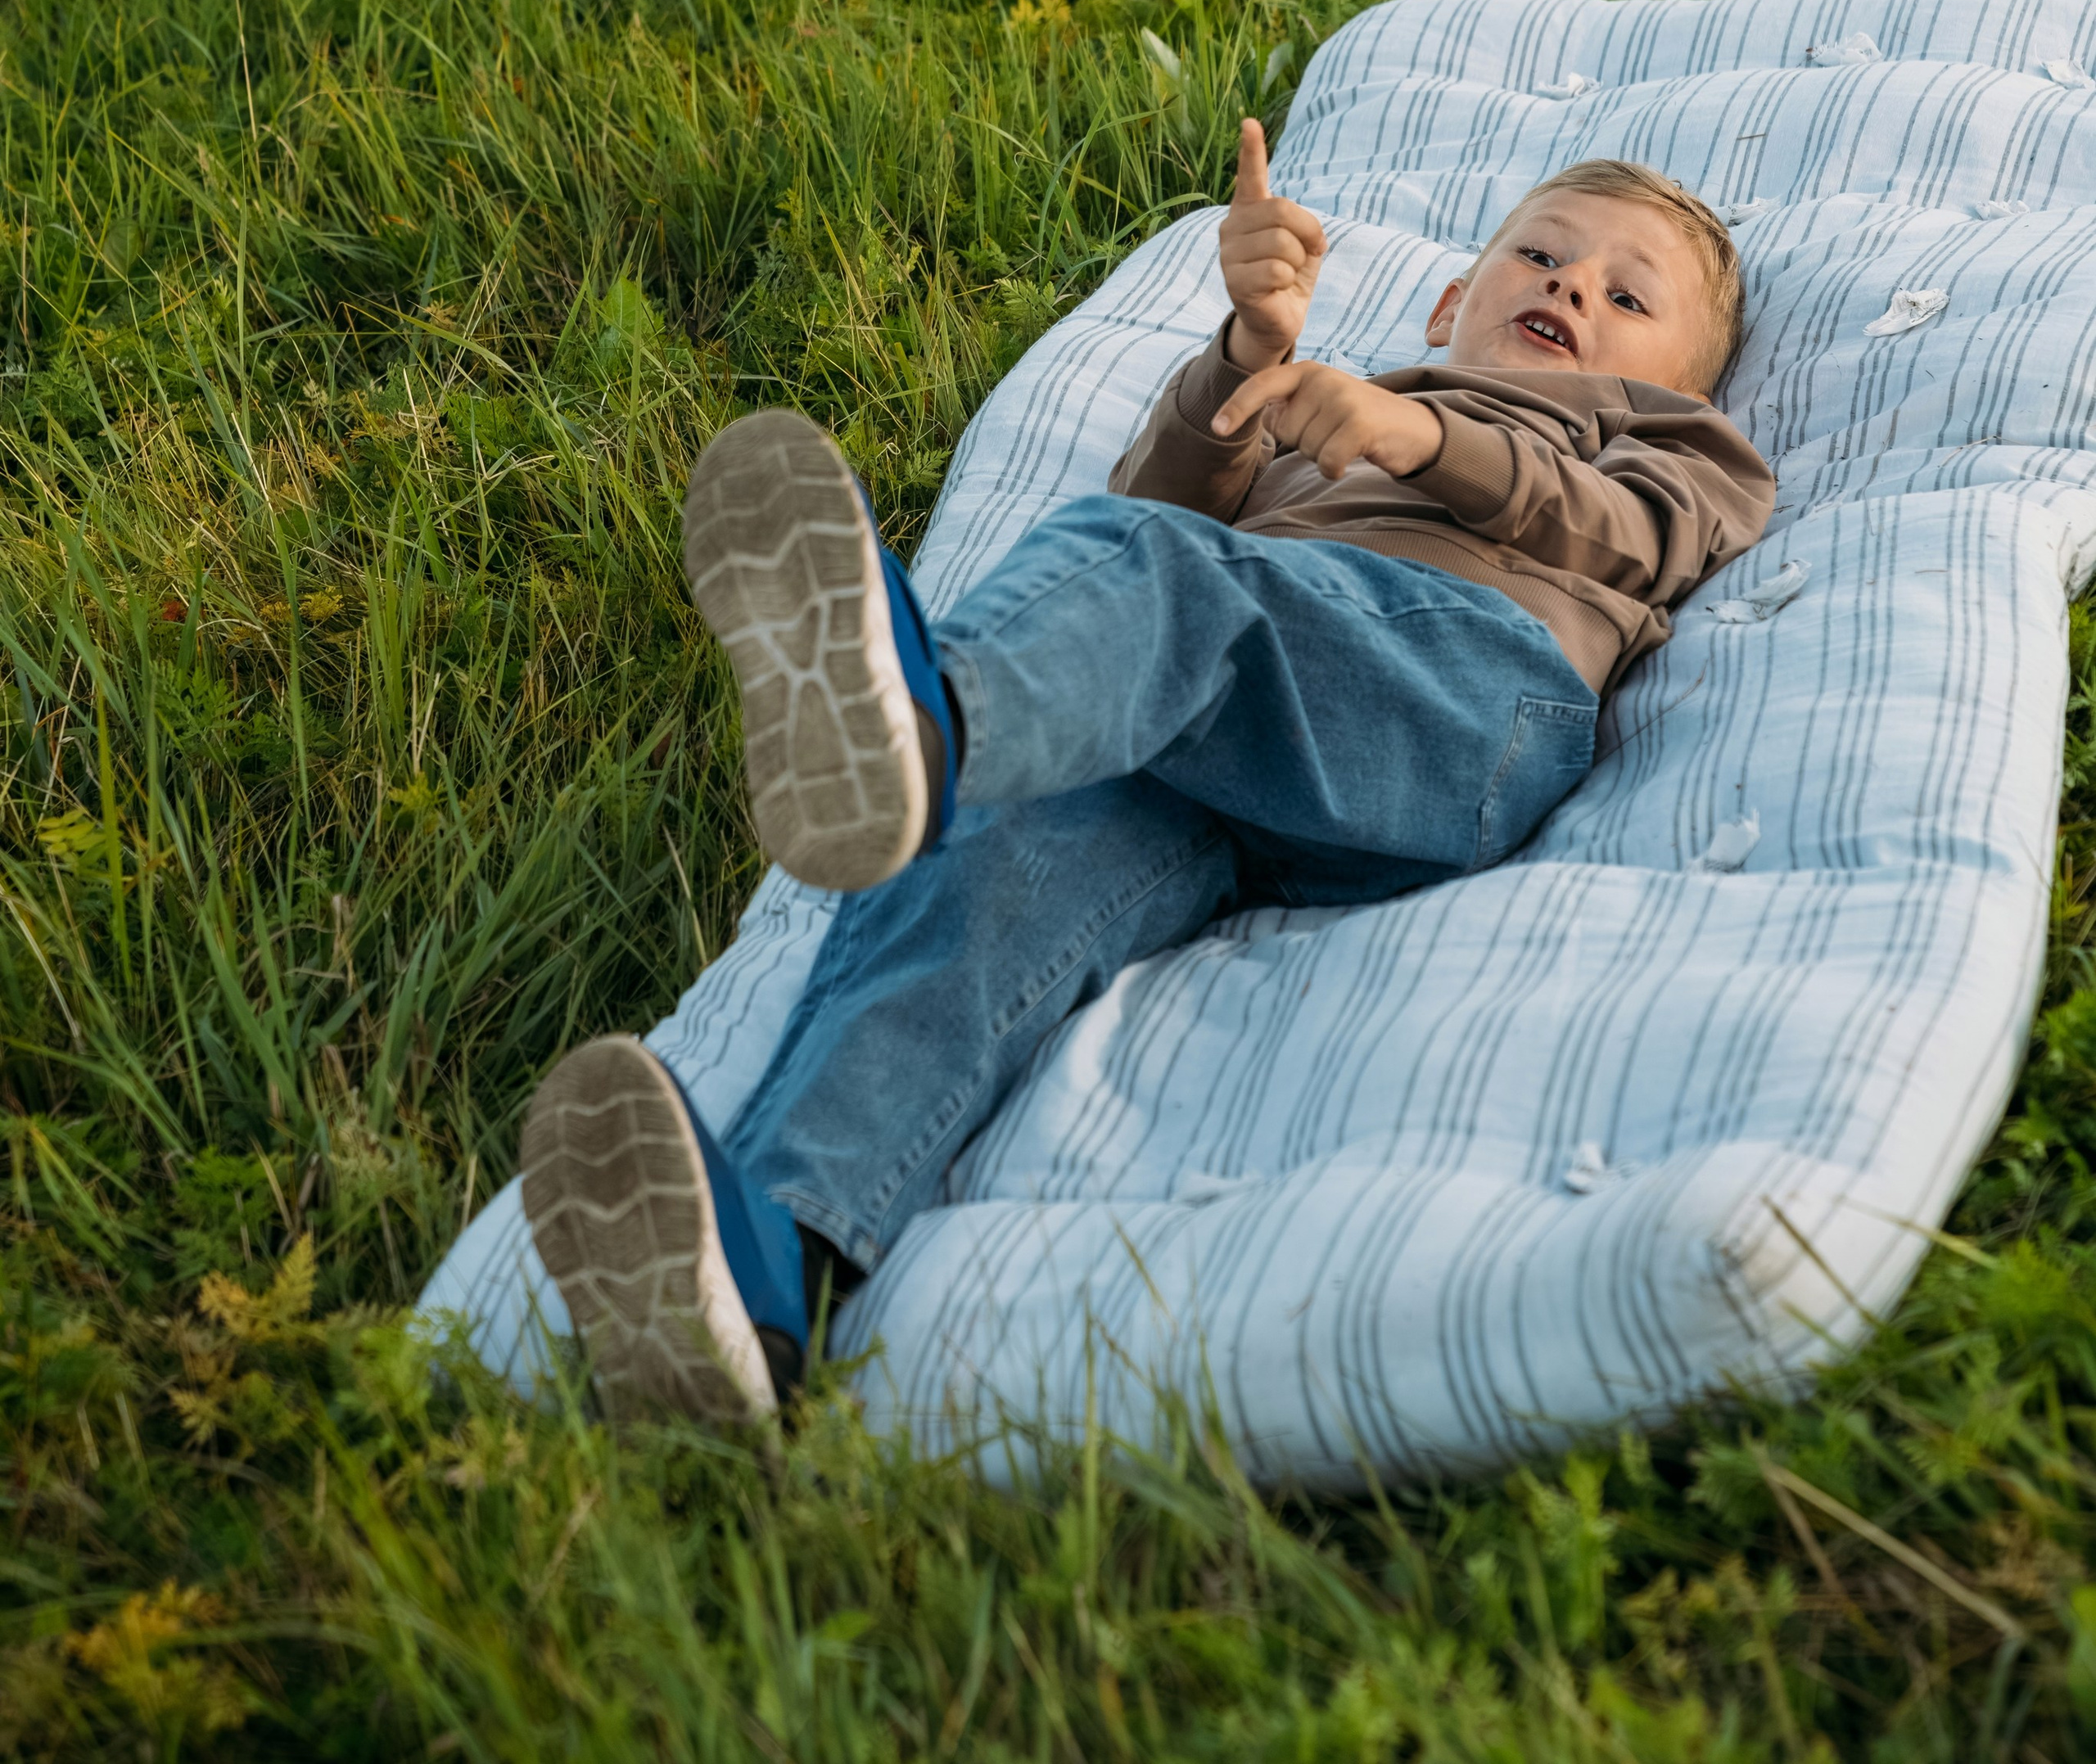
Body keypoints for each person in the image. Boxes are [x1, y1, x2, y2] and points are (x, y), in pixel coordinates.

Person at [517, 132, 1776, 1424]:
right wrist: (1245, 359)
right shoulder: (1330, 404)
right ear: (1454, 302)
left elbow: (1635, 539)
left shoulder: (1671, 444)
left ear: (1692, 388)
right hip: (1236, 762)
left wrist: (1418, 438)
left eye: (1629, 298)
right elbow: (1164, 502)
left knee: (1163, 577)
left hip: (1455, 702)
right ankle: (769, 1281)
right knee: (980, 874)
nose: (1572, 290)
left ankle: (929, 722)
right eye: (1544, 255)